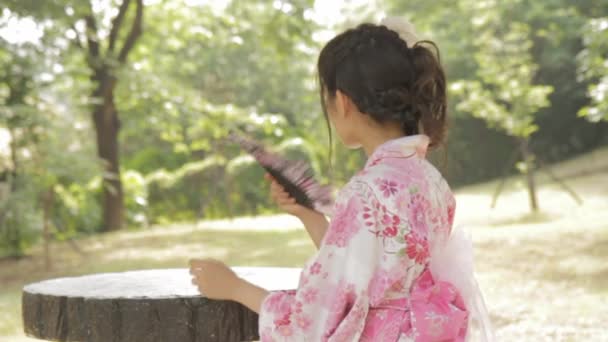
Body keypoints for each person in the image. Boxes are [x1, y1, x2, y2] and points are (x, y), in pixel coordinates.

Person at [189, 17, 493, 341]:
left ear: (343, 102)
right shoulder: (431, 182)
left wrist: (235, 287)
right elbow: (371, 267)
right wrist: (311, 217)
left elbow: (316, 320)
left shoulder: (365, 192)